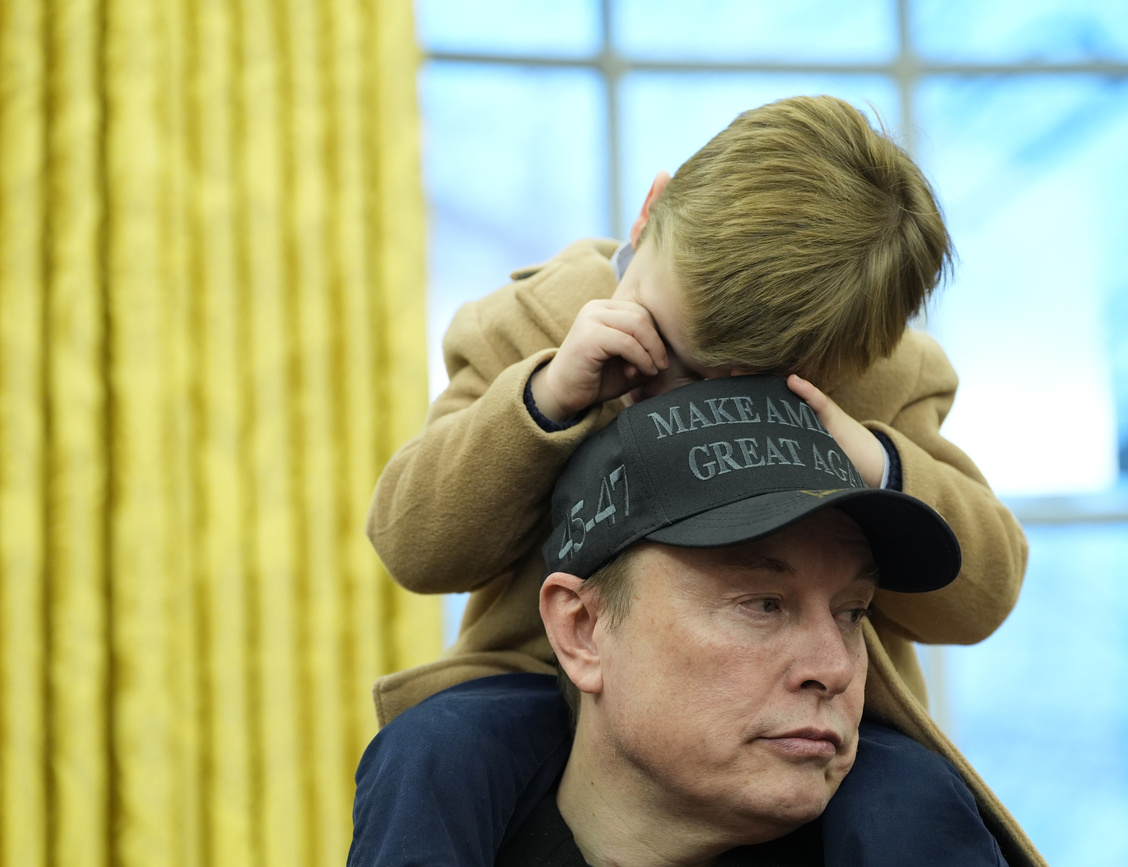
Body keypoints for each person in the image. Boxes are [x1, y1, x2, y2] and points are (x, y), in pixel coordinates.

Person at [364, 95, 1028, 863]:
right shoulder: (531, 324)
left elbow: (983, 595)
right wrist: (544, 401)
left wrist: (878, 461)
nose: (686, 398)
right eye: (670, 354)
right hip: (539, 684)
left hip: (804, 726)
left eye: (748, 386)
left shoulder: (883, 377)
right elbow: (413, 546)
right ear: (649, 213)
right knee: (429, 754)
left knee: (912, 804)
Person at [350, 377, 1044, 866]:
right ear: (583, 630)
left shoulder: (907, 830)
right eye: (762, 604)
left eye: (853, 611)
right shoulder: (440, 801)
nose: (834, 667)